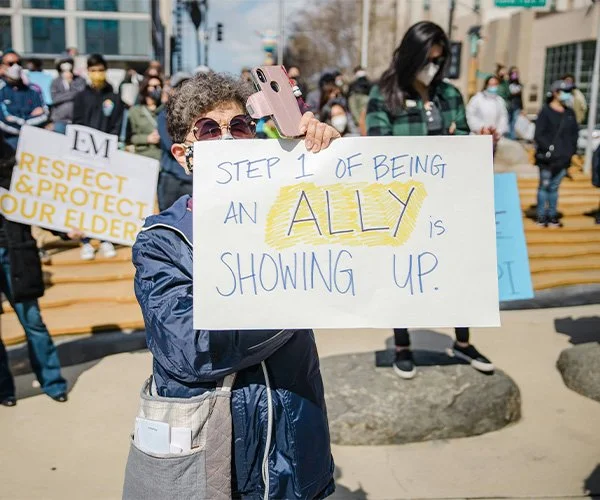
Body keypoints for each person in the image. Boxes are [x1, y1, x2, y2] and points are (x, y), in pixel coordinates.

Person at [129, 71, 339, 499]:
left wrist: (322, 159)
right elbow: (194, 349)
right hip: (212, 463)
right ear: (183, 154)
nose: (228, 139)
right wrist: (301, 303)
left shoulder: (293, 214)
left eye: (239, 126)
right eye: (208, 130)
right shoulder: (162, 242)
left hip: (294, 458)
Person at [366, 21, 494, 379]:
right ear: (412, 56)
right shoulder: (385, 94)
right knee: (402, 272)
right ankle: (402, 343)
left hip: (447, 202)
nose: (433, 67)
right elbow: (377, 150)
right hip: (401, 204)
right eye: (428, 60)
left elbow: (465, 144)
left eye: (439, 60)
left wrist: (481, 145)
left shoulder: (449, 96)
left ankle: (464, 342)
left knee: (459, 270)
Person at [0, 130, 73, 406]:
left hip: (16, 254)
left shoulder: (18, 173)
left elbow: (41, 209)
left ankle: (52, 383)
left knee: (33, 322)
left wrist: (67, 231)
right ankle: (3, 390)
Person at [73, 53, 125, 260]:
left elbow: (117, 125)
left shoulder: (114, 97)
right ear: (87, 72)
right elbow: (76, 124)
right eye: (93, 70)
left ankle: (105, 238)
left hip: (107, 156)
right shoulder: (80, 97)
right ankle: (85, 240)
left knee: (105, 199)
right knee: (84, 198)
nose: (97, 74)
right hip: (84, 156)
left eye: (100, 70)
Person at [534, 80, 579, 228]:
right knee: (544, 187)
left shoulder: (569, 113)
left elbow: (574, 135)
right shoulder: (545, 112)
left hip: (563, 159)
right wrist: (550, 150)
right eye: (564, 91)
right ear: (555, 93)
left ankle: (552, 215)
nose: (567, 95)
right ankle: (541, 216)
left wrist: (570, 153)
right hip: (547, 159)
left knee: (554, 188)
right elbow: (539, 135)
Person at [156, 72, 193, 211]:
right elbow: (169, 143)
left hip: (191, 180)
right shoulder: (164, 114)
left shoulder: (198, 116)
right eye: (179, 86)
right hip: (171, 180)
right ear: (172, 90)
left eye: (188, 86)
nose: (183, 91)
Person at [0, 50, 49, 151]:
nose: (16, 67)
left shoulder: (33, 89)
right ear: (2, 67)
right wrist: (30, 118)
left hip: (34, 137)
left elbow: (44, 114)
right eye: (11, 64)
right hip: (9, 139)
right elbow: (4, 120)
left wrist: (22, 122)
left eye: (18, 63)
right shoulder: (2, 90)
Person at [125, 76, 163, 160]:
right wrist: (147, 138)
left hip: (162, 158)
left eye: (159, 86)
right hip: (143, 157)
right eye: (153, 86)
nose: (157, 89)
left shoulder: (166, 110)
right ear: (146, 88)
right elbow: (129, 137)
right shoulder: (135, 111)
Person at [50, 57, 86, 134]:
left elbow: (81, 94)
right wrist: (70, 92)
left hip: (77, 120)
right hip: (60, 120)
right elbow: (55, 99)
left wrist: (70, 84)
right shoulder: (55, 82)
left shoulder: (80, 80)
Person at [507, 66, 523, 140]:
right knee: (508, 121)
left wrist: (522, 108)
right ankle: (508, 135)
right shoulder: (507, 84)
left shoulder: (519, 85)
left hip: (516, 106)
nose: (515, 74)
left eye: (516, 73)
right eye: (513, 73)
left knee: (514, 122)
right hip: (509, 106)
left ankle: (512, 137)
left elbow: (521, 98)